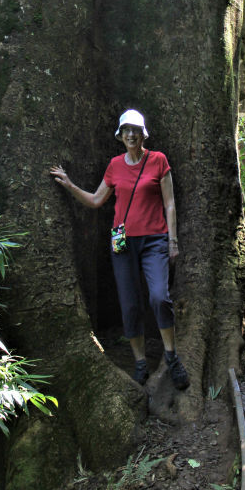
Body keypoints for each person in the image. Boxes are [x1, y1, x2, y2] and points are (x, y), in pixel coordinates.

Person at [50, 108, 190, 389]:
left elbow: (170, 204)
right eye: (126, 130)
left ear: (142, 134)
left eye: (135, 130)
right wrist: (69, 185)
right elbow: (96, 200)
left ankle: (172, 357)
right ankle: (139, 363)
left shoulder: (158, 161)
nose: (130, 134)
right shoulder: (114, 165)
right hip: (123, 243)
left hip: (154, 241)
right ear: (120, 135)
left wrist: (172, 240)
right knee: (129, 305)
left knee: (159, 298)